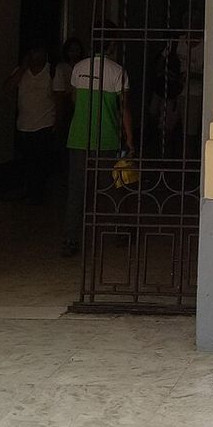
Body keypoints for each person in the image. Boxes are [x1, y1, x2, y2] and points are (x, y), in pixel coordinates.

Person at [64, 30, 133, 259]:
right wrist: (130, 139)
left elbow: (73, 99)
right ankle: (119, 232)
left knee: (76, 190)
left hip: (79, 137)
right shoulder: (118, 71)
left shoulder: (78, 68)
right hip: (106, 138)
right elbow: (123, 108)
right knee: (113, 188)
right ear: (111, 46)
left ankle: (70, 240)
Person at [5, 43, 57, 202]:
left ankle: (38, 192)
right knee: (27, 159)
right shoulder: (20, 72)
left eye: (38, 51)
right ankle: (29, 190)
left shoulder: (52, 71)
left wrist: (57, 121)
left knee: (41, 159)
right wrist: (22, 68)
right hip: (24, 123)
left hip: (45, 122)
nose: (35, 55)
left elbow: (59, 98)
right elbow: (7, 87)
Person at [51, 36, 83, 143]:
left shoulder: (84, 67)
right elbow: (59, 93)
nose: (74, 53)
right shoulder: (62, 68)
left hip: (82, 105)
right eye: (71, 50)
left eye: (77, 50)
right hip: (67, 106)